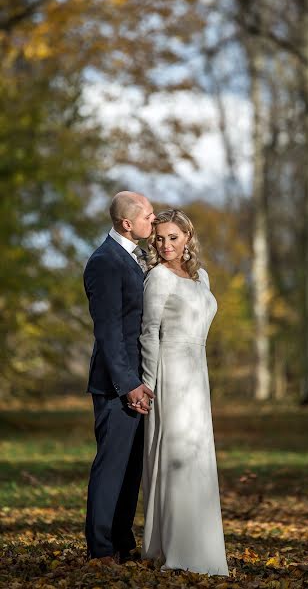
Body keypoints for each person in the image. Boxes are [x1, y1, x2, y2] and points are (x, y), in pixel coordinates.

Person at [140, 208, 229, 576]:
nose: (165, 245)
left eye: (173, 237)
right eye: (159, 238)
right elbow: (149, 332)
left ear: (187, 238)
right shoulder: (157, 277)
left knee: (197, 456)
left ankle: (203, 547)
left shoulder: (201, 277)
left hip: (197, 371)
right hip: (170, 372)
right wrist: (148, 382)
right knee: (177, 455)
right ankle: (178, 548)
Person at [83, 191, 155, 563]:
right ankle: (101, 549)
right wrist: (128, 385)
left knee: (130, 470)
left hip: (139, 382)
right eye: (149, 216)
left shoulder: (134, 257)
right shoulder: (105, 262)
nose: (154, 222)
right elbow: (108, 330)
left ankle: (122, 541)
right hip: (116, 384)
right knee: (111, 467)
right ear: (128, 223)